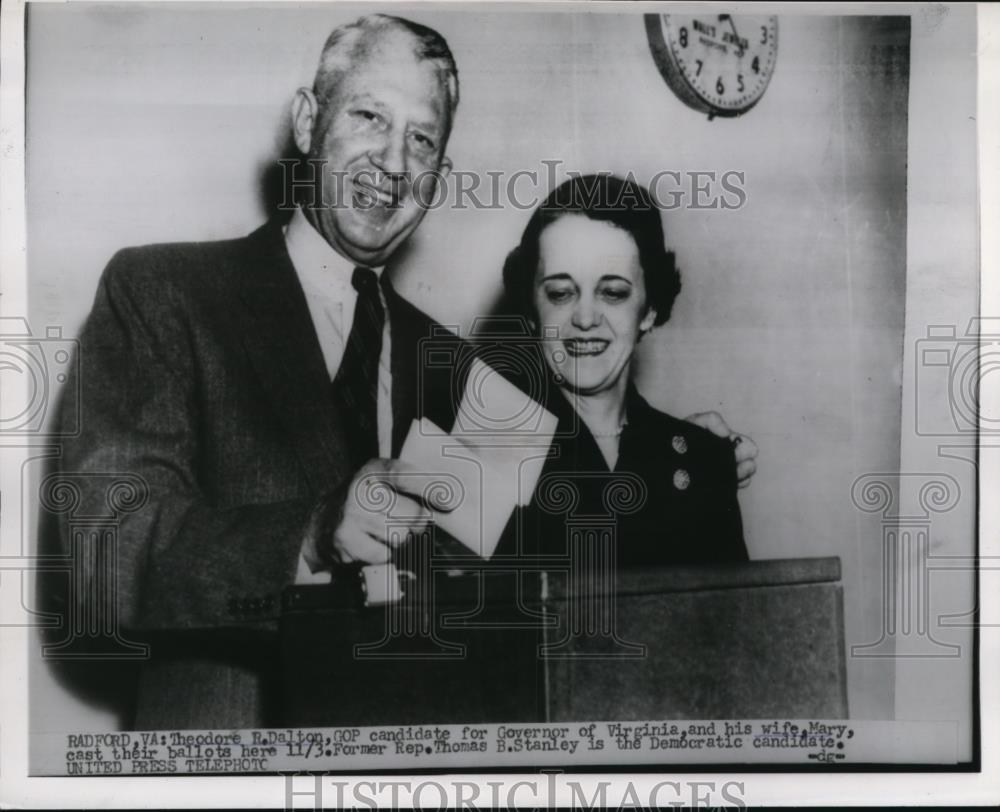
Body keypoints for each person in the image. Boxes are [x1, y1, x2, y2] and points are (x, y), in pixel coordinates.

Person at [49, 15, 756, 729]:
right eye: (368, 117)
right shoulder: (165, 293)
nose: (393, 162)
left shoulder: (462, 372)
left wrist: (677, 459)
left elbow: (561, 576)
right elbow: (103, 563)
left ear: (438, 177)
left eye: (422, 139)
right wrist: (312, 534)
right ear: (305, 122)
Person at [494, 174, 748, 565]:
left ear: (649, 310)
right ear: (530, 309)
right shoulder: (479, 452)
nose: (584, 318)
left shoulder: (701, 460)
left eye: (613, 293)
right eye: (560, 293)